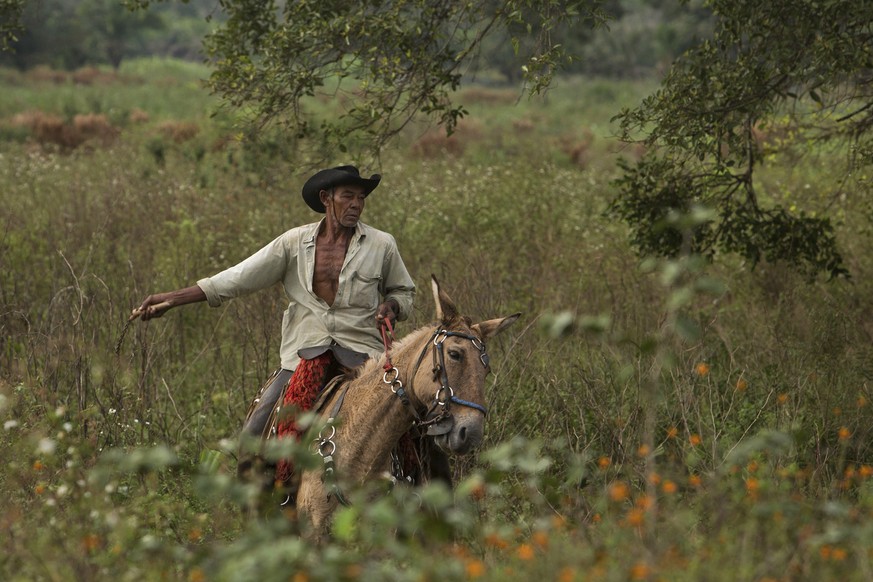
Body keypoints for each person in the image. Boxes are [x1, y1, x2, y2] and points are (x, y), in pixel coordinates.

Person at [136, 165, 421, 502]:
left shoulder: (382, 244)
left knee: (412, 429)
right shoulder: (293, 243)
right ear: (326, 198)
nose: (356, 204)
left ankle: (423, 503)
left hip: (363, 354)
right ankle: (267, 503)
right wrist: (172, 299)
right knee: (255, 434)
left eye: (361, 198)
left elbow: (405, 292)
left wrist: (392, 306)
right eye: (348, 196)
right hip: (303, 354)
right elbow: (237, 277)